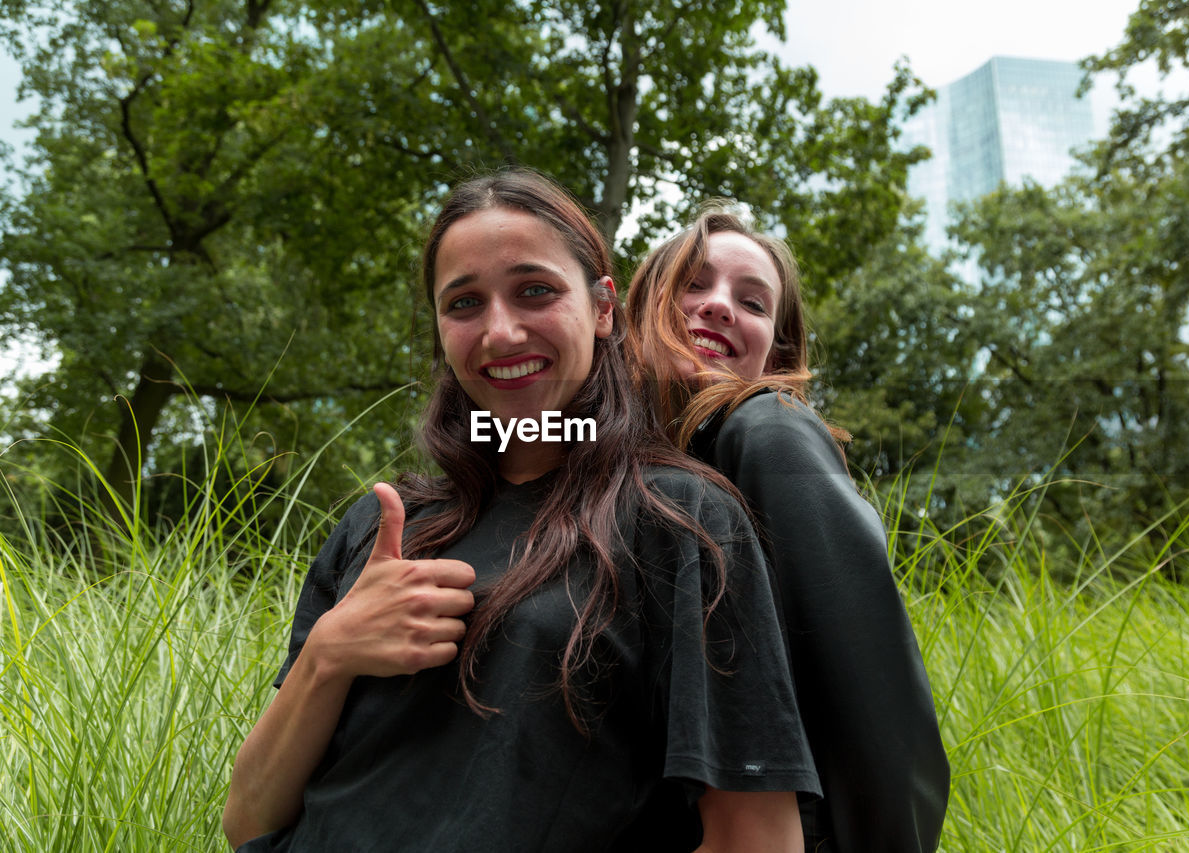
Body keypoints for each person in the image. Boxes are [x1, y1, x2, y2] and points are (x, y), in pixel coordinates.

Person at [222, 171, 820, 852]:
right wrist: (329, 653)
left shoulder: (681, 520)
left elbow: (759, 837)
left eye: (535, 290)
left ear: (602, 308)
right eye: (465, 302)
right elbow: (249, 818)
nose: (501, 331)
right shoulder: (382, 521)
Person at [625, 206, 950, 852]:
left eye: (752, 301)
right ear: (638, 305)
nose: (718, 306)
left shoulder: (766, 432)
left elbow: (876, 710)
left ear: (775, 349)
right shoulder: (617, 474)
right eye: (694, 283)